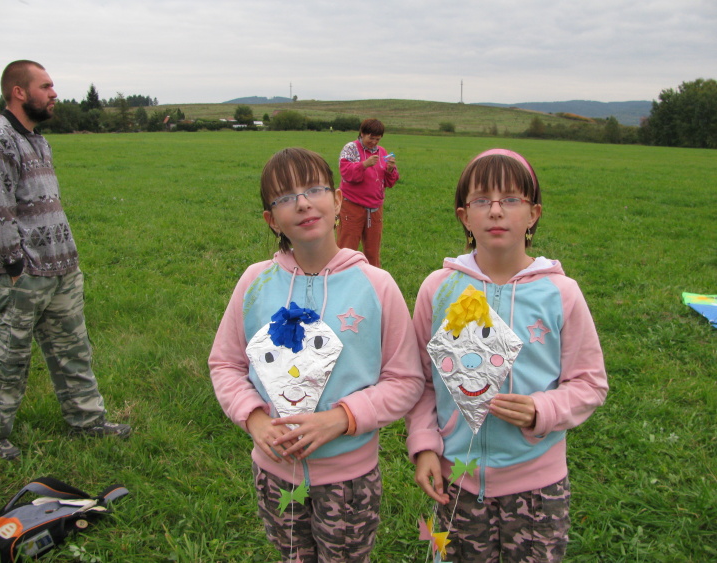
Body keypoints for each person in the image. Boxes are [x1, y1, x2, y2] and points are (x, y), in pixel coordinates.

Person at [208, 147, 423, 562]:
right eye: (285, 197)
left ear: (338, 200)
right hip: (273, 473)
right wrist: (255, 420)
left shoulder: (377, 285)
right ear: (272, 220)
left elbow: (406, 379)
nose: (303, 203)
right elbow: (225, 363)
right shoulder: (254, 283)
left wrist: (341, 419)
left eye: (314, 190)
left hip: (349, 479)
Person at [405, 149, 608, 562]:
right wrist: (424, 445)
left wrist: (542, 410)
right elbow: (422, 380)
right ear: (464, 216)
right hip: (455, 480)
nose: (496, 210)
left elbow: (590, 383)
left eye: (510, 199)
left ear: (533, 214)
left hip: (538, 485)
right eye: (482, 200)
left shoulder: (560, 293)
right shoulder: (438, 290)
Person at [0, 60, 131, 461]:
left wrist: (66, 262)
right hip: (23, 274)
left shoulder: (37, 139)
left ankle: (87, 421)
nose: (54, 93)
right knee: (10, 356)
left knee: (73, 350)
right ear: (19, 92)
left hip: (61, 269)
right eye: (45, 86)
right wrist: (14, 267)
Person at [336, 118, 399, 268]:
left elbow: (389, 182)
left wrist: (390, 169)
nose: (374, 142)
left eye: (377, 139)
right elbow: (346, 174)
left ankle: (373, 278)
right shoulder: (351, 149)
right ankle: (341, 275)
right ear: (362, 133)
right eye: (371, 138)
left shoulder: (382, 152)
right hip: (352, 207)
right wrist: (364, 164)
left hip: (375, 209)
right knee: (347, 248)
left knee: (373, 251)